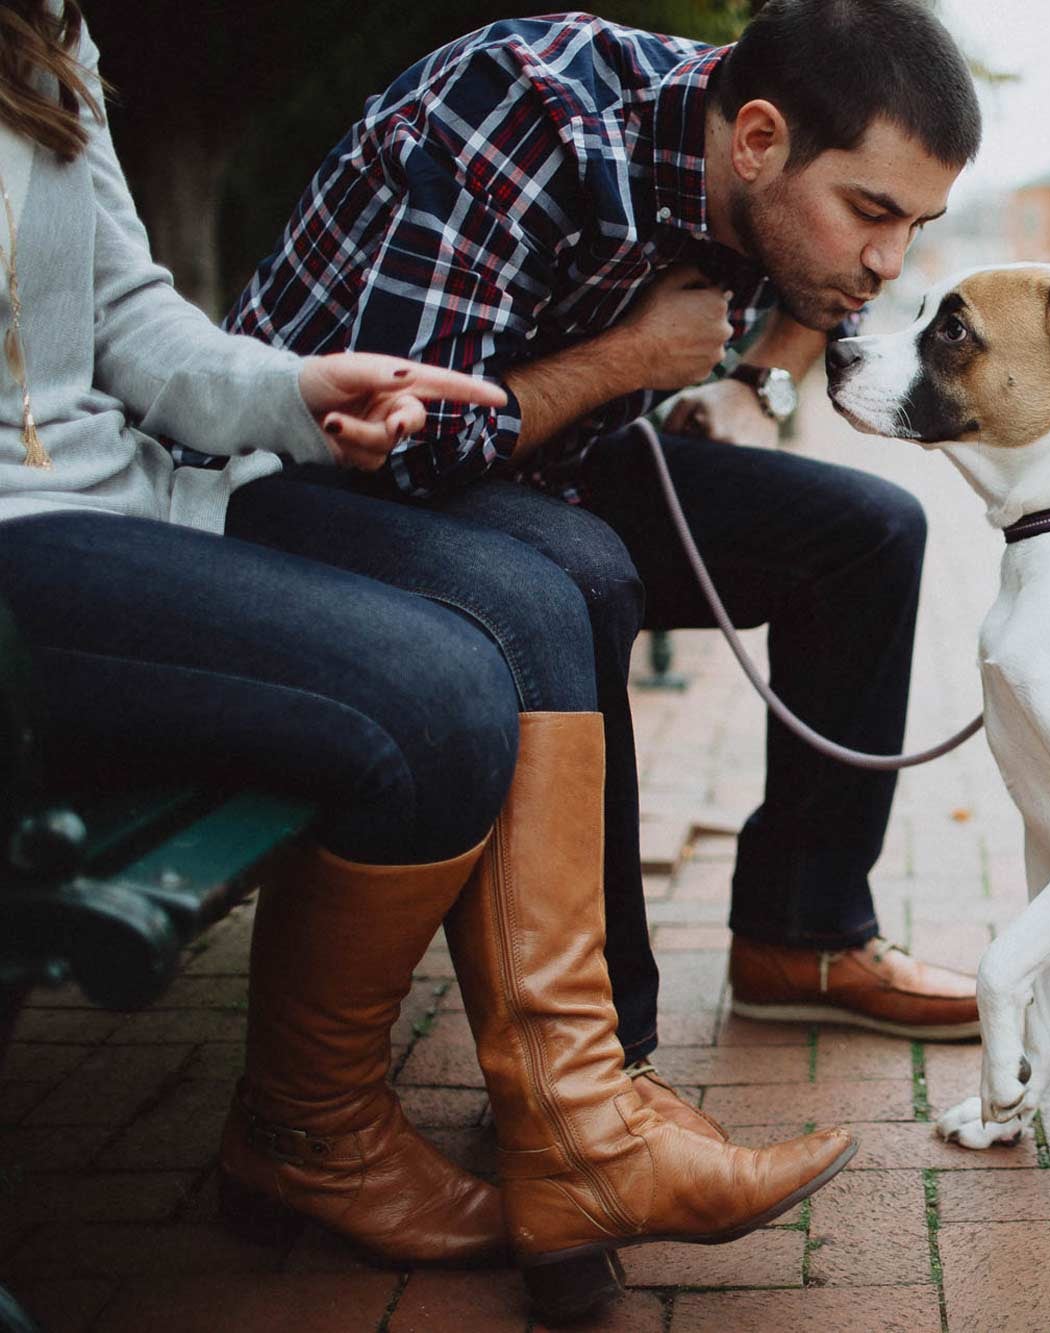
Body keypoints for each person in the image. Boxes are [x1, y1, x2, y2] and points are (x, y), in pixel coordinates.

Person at [0, 0, 852, 1307]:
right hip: (23, 552)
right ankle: (354, 1133)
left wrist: (293, 393)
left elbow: (126, 313)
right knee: (451, 682)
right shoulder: (525, 103)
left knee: (520, 616)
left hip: (129, 508)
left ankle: (575, 1127)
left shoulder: (48, 29)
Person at [226, 0, 988, 1067]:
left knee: (872, 530)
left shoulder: (774, 172)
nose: (888, 261)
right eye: (871, 211)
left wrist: (750, 385)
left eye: (915, 225)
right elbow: (403, 445)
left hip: (554, 457)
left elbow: (828, 298)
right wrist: (635, 359)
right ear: (758, 141)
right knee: (583, 579)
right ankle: (597, 1069)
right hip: (313, 482)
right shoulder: (520, 115)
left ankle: (801, 940)